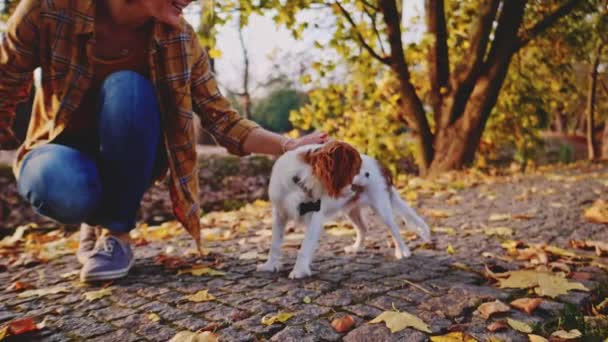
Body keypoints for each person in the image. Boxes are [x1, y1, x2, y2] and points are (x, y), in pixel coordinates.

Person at [0, 0, 328, 282]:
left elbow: (224, 120)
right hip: (61, 151)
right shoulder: (51, 9)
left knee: (128, 87)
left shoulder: (180, 39)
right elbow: (5, 82)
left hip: (130, 153)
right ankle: (95, 216)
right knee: (59, 185)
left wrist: (288, 145)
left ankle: (116, 231)